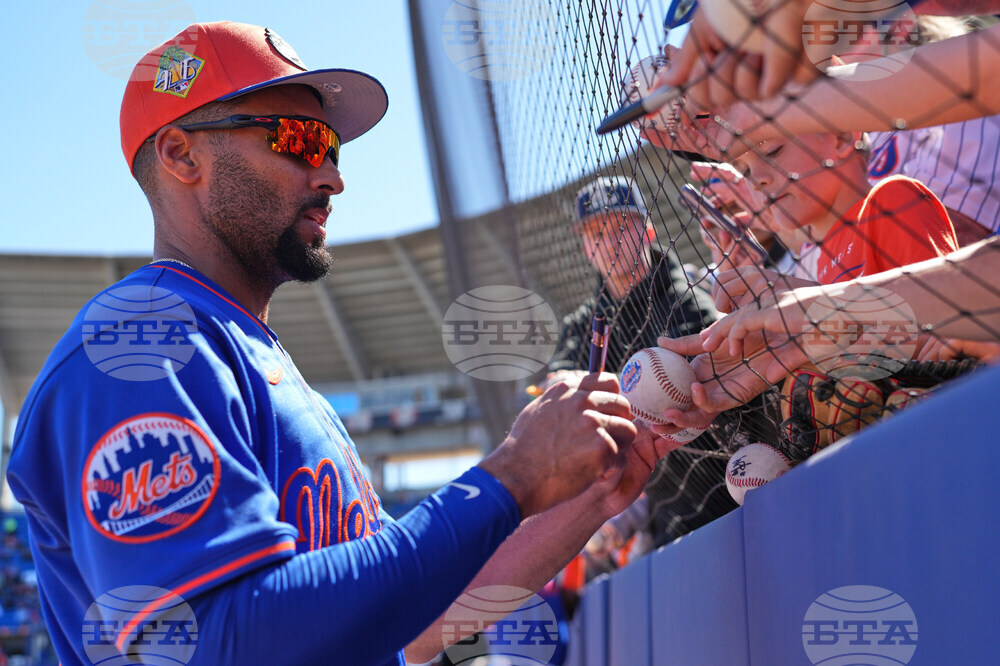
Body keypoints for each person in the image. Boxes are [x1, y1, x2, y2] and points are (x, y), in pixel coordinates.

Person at [5, 22, 668, 666]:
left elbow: (413, 617)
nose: (331, 177)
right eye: (296, 140)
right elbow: (225, 643)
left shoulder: (253, 354)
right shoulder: (139, 344)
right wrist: (514, 471)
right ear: (182, 155)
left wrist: (592, 496)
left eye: (331, 148)